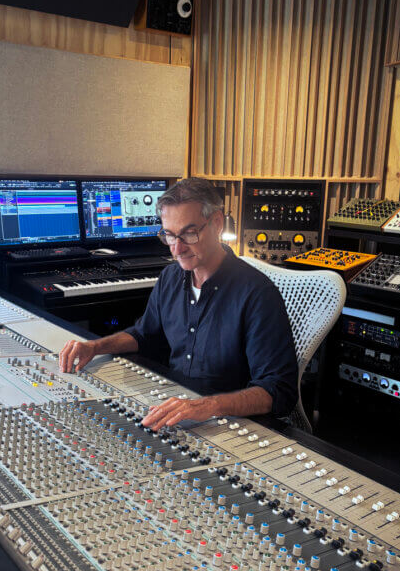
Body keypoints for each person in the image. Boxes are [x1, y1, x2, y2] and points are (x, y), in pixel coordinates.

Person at [59, 178, 298, 430]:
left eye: (188, 233)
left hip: (230, 422)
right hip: (178, 410)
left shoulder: (257, 293)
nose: (177, 248)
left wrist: (207, 405)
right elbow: (144, 334)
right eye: (170, 235)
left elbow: (278, 390)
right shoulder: (170, 277)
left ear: (217, 223)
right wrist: (95, 347)